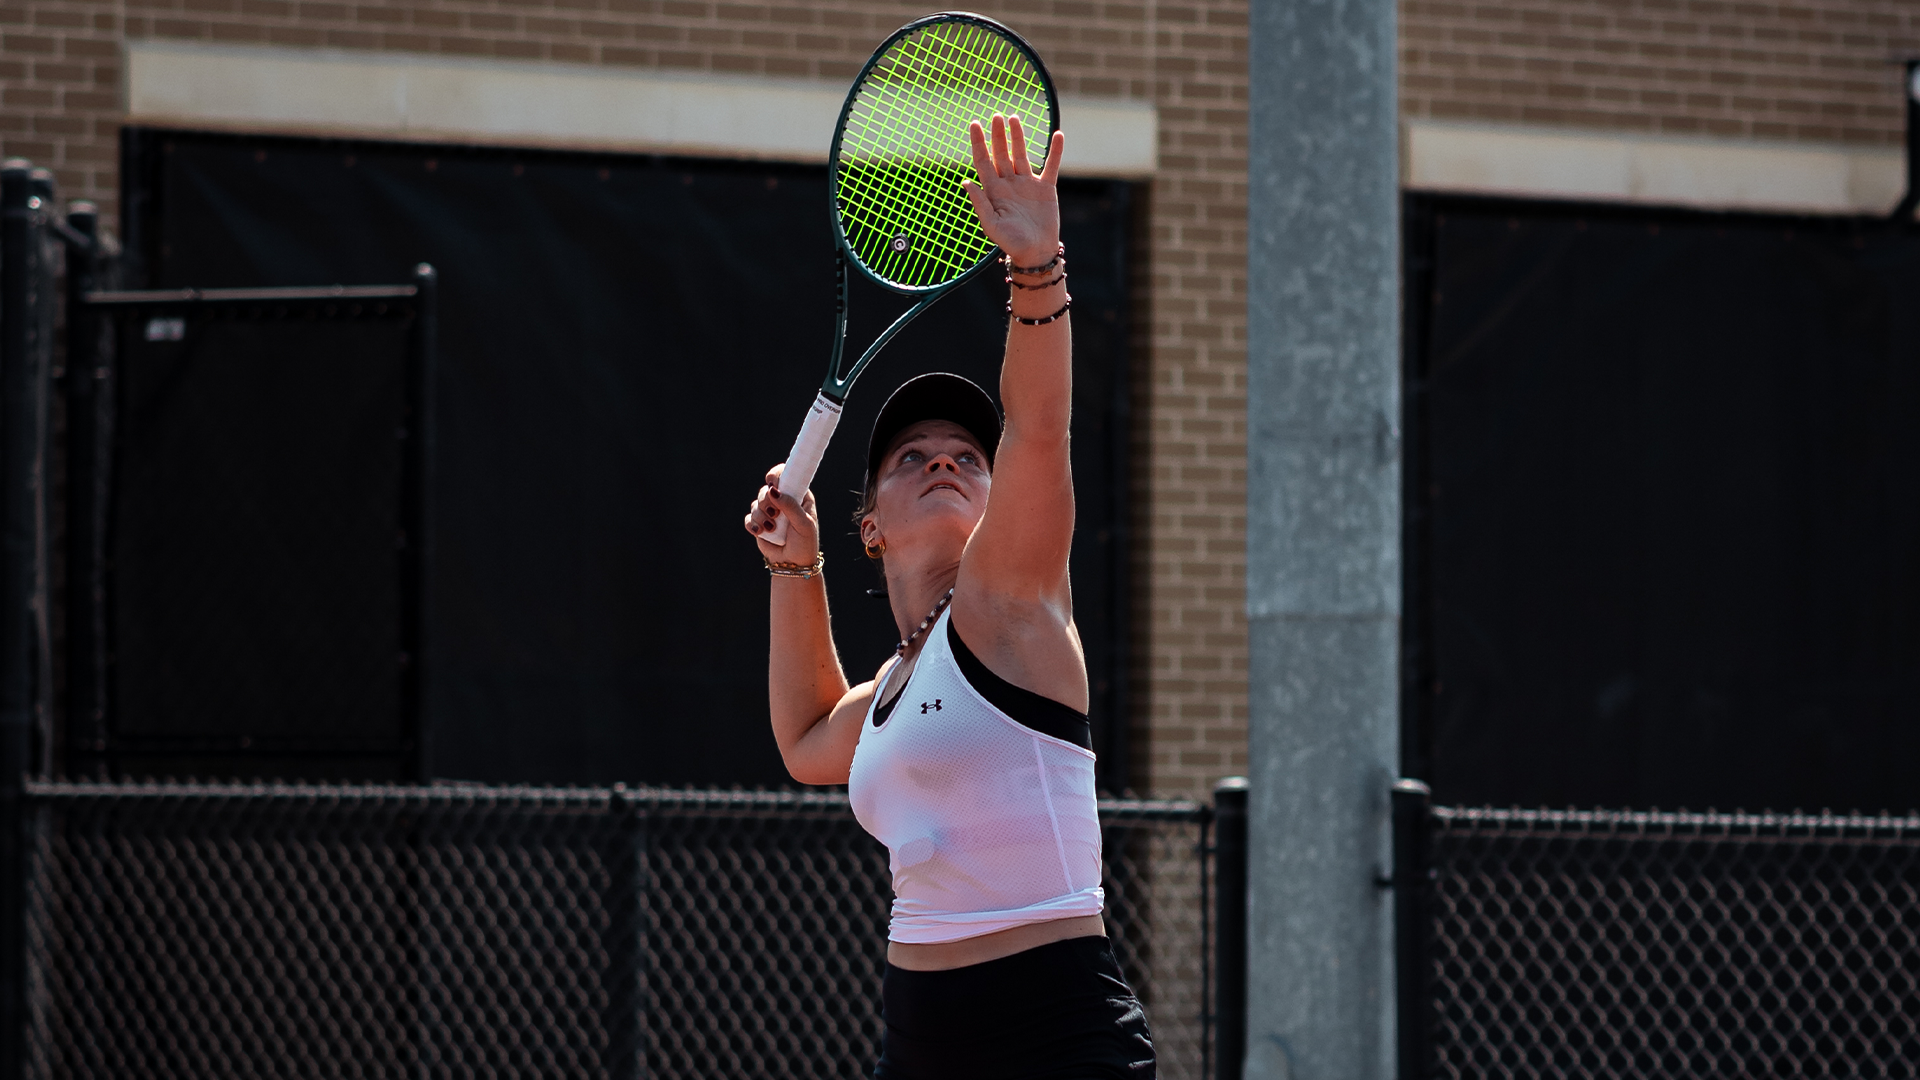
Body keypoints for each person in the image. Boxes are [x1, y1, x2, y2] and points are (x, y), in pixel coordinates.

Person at [741, 114, 1155, 1079]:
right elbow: (805, 742)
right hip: (921, 1045)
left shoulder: (1009, 603)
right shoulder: (895, 680)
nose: (944, 463)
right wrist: (793, 569)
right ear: (871, 523)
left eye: (968, 458)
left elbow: (1040, 430)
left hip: (1054, 1041)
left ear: (991, 503)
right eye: (912, 457)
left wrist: (1036, 266)